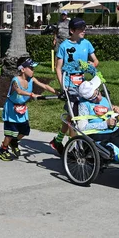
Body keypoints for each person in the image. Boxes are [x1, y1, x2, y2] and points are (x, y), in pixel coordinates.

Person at [50, 17, 99, 155]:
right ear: (72, 30)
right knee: (75, 115)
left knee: (74, 115)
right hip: (69, 84)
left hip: (82, 84)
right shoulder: (64, 46)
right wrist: (62, 86)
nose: (84, 30)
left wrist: (91, 65)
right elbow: (58, 68)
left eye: (84, 28)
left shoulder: (86, 44)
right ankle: (75, 148)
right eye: (80, 28)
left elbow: (95, 61)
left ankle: (58, 140)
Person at [0, 57, 56, 161]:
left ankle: (14, 142)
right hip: (12, 108)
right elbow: (19, 91)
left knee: (25, 130)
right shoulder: (15, 80)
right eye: (31, 68)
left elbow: (45, 86)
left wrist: (58, 93)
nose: (33, 70)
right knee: (11, 131)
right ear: (23, 69)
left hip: (22, 108)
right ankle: (3, 150)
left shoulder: (31, 79)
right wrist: (32, 94)